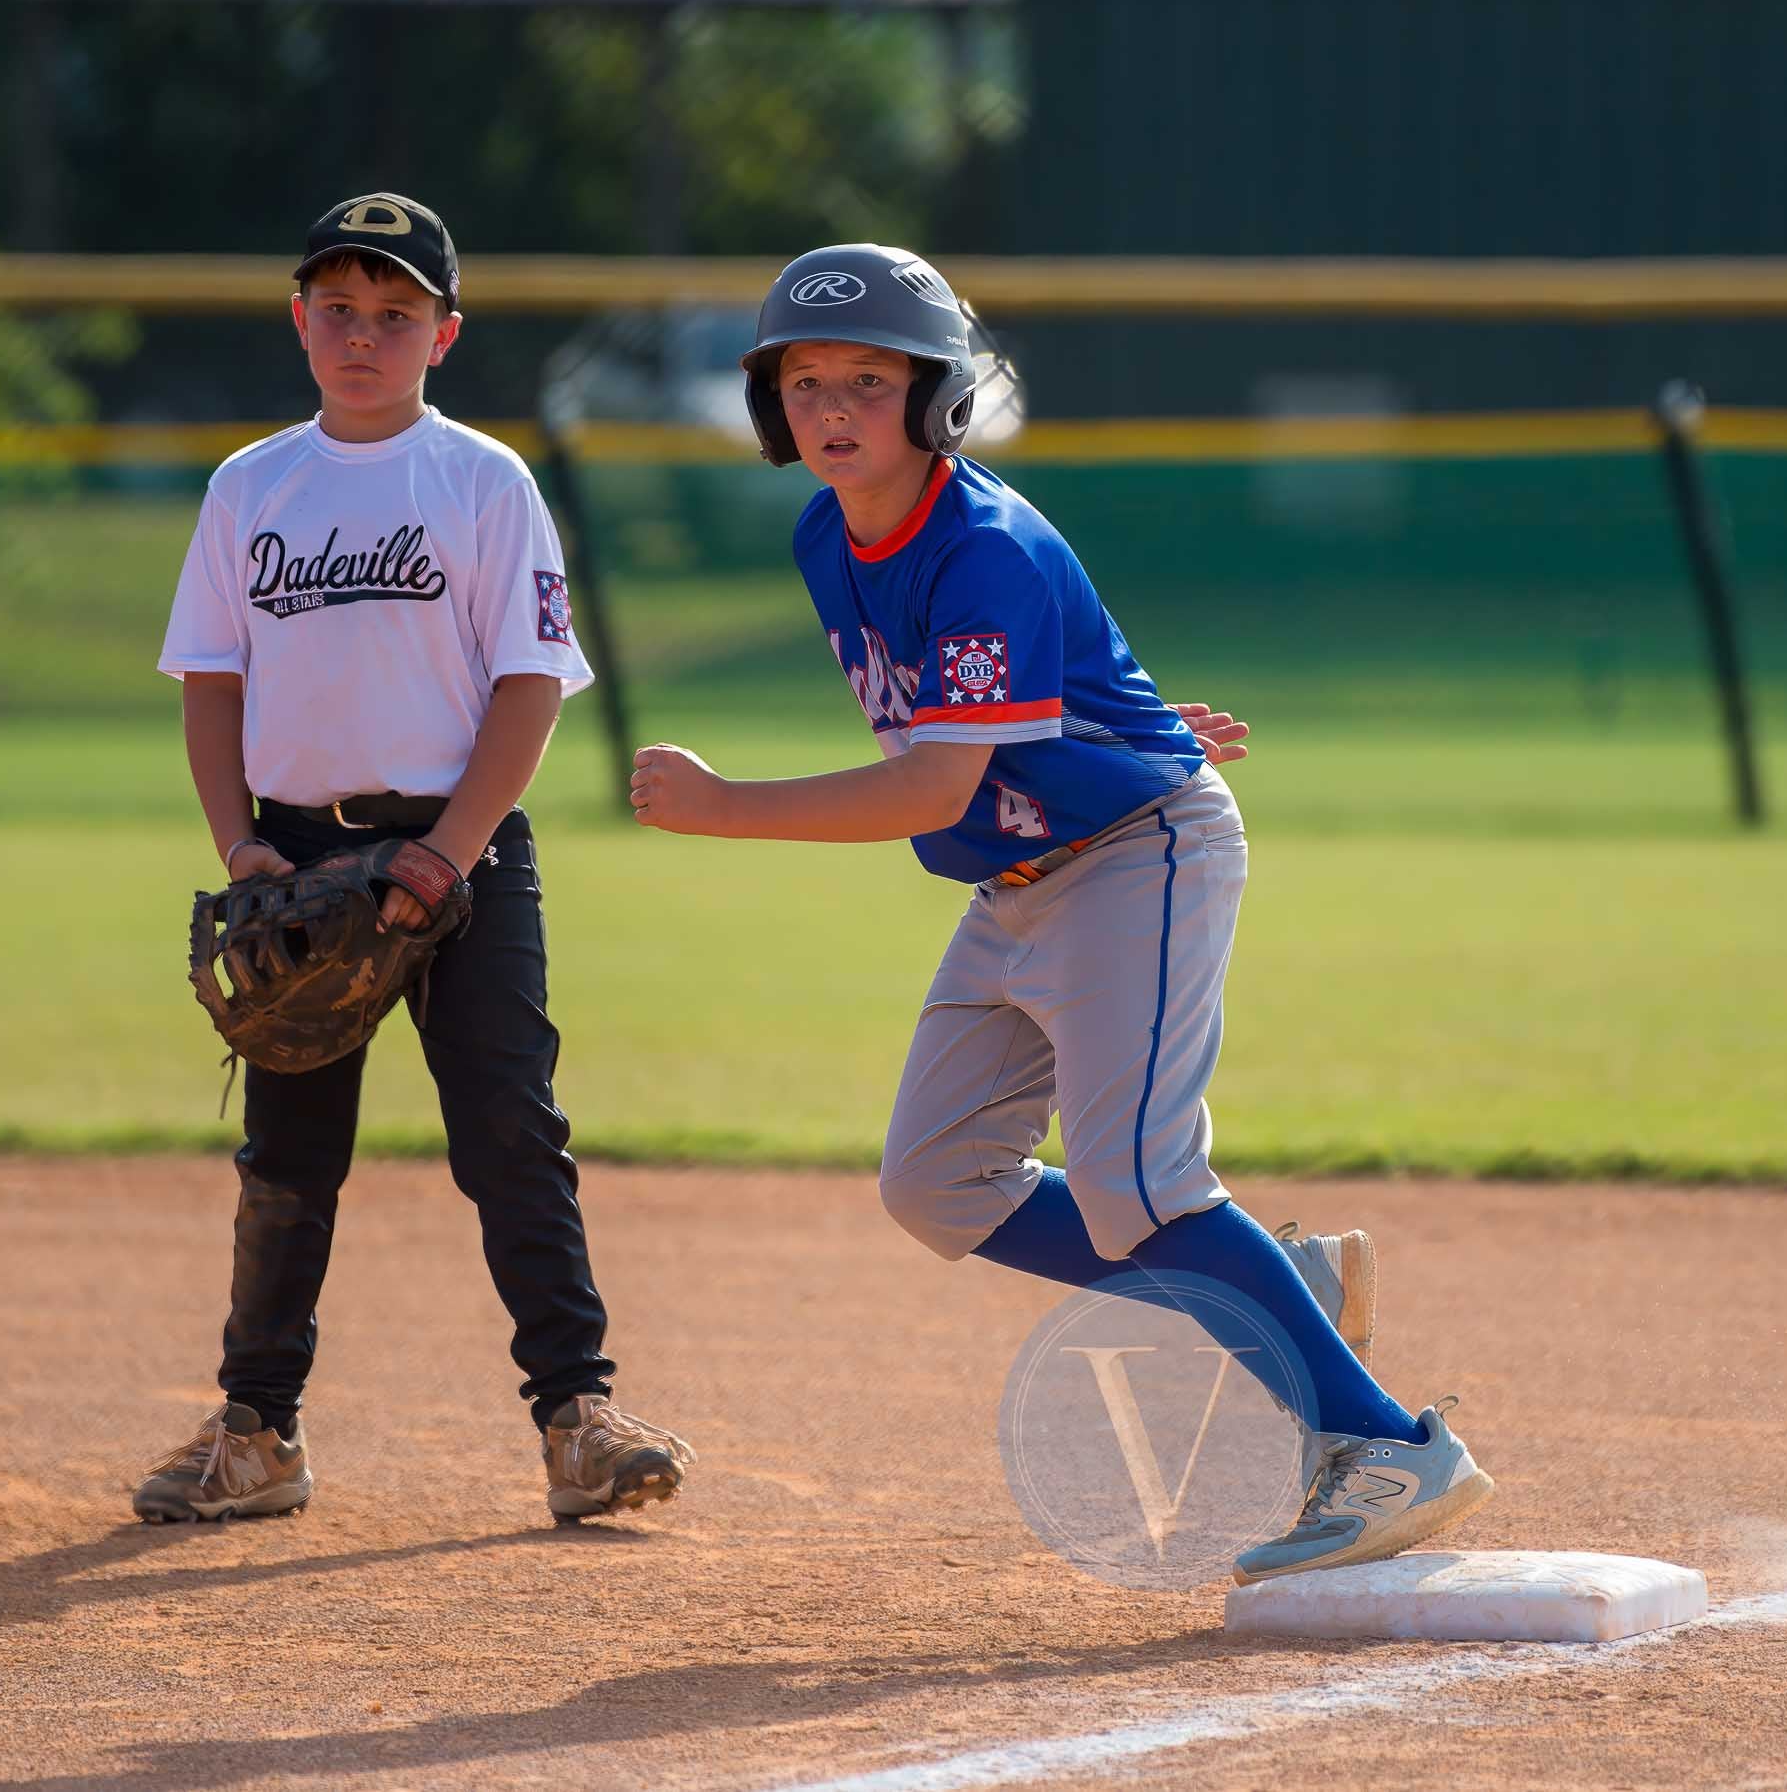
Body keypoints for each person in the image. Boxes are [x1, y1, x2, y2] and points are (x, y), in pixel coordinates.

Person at [628, 244, 1492, 1583]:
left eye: (872, 376)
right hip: (1022, 874)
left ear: (939, 397)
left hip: (1134, 855)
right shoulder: (826, 532)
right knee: (935, 1184)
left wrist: (724, 805)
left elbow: (932, 775)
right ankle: (1273, 1297)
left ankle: (1383, 1444)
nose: (836, 406)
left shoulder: (986, 548)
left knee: (1136, 1183)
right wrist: (1120, 729)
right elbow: (989, 711)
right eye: (806, 381)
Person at [138, 193, 691, 1526]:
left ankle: (578, 1419)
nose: (362, 336)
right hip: (298, 857)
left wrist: (446, 853)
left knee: (509, 1130)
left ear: (443, 334)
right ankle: (257, 1432)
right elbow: (211, 684)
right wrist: (243, 847)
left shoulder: (485, 481)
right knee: (289, 1155)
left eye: (394, 314)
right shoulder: (249, 484)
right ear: (299, 322)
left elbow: (529, 687)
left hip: (464, 848)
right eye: (338, 309)